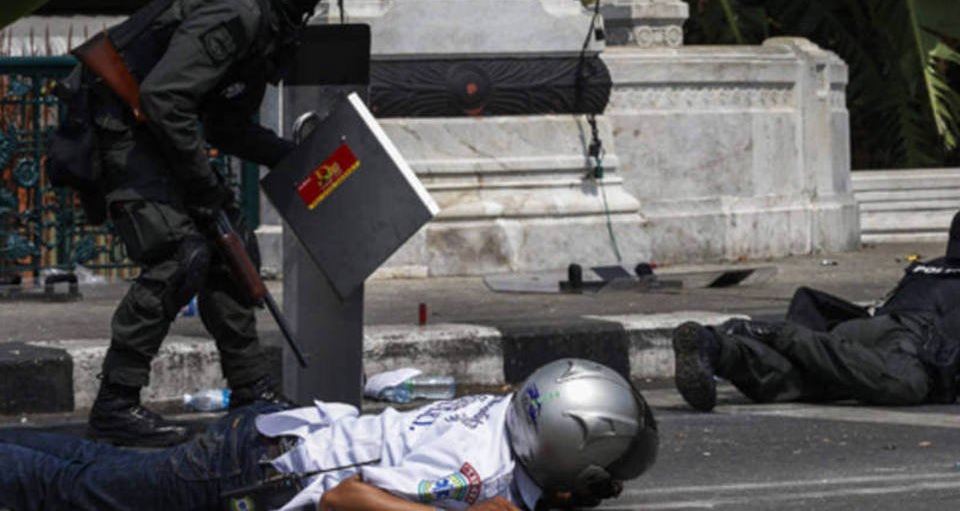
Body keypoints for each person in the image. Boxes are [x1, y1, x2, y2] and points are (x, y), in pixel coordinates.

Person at [82, 0, 353, 447]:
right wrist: (203, 188)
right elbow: (163, 99)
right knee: (182, 252)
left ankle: (250, 394)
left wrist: (285, 155)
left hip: (160, 129)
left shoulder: (272, 24)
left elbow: (225, 123)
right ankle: (115, 402)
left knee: (232, 248)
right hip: (124, 127)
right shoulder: (236, 12)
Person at [0, 358, 659, 511]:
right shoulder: (477, 472)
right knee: (80, 490)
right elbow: (347, 499)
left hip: (278, 434)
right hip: (257, 469)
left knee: (94, 468)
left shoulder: (509, 411)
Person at [672, 212, 960, 412]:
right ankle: (771, 332)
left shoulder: (931, 267)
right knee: (908, 383)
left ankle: (713, 346)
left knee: (797, 381)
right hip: (907, 340)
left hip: (862, 330)